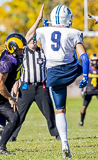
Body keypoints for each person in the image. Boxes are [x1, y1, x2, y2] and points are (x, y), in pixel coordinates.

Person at [25, 4, 89, 158]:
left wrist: (39, 20)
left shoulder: (42, 31)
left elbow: (27, 38)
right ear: (68, 19)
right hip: (71, 69)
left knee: (59, 110)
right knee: (80, 62)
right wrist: (85, 75)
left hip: (53, 74)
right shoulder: (73, 33)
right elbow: (84, 57)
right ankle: (64, 143)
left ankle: (64, 143)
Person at [9, 37, 59, 142]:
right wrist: (15, 86)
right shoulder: (23, 52)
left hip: (42, 87)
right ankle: (12, 135)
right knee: (19, 113)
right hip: (26, 87)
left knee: (49, 112)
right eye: (31, 39)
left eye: (35, 39)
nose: (33, 41)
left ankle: (56, 133)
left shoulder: (42, 52)